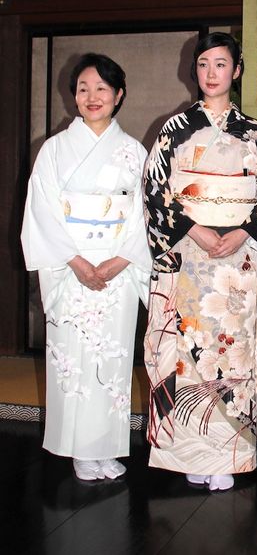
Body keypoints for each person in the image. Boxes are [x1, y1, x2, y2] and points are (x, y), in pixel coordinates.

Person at [143, 32, 257, 491]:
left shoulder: (255, 133)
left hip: (235, 262)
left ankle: (230, 454)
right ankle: (187, 449)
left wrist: (243, 231)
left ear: (236, 71)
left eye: (220, 64)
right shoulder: (174, 129)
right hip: (188, 255)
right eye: (203, 64)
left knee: (232, 351)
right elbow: (156, 190)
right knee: (185, 351)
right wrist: (195, 230)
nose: (210, 73)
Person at [21, 53, 151, 481]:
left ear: (119, 95)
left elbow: (143, 216)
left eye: (101, 89)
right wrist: (76, 261)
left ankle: (104, 448)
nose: (92, 97)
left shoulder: (134, 152)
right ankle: (80, 450)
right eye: (83, 89)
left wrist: (119, 261)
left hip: (116, 270)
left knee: (112, 360)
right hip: (71, 267)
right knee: (73, 360)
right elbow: (41, 210)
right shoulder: (54, 150)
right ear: (73, 97)